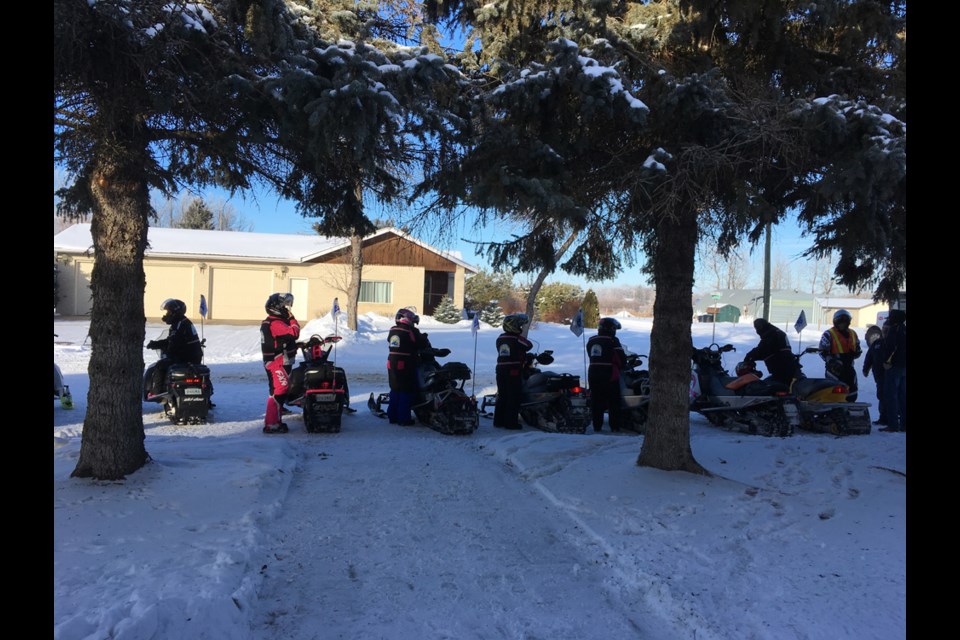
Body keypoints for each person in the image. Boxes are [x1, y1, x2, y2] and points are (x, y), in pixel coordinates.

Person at [145, 298, 205, 400]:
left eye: (168, 312)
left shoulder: (179, 325)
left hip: (185, 357)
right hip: (193, 356)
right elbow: (172, 340)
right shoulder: (183, 322)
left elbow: (174, 343)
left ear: (175, 312)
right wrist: (156, 344)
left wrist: (167, 349)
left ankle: (156, 392)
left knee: (160, 366)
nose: (167, 314)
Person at [261, 293, 300, 434]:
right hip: (277, 363)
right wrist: (292, 319)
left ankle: (275, 421)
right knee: (280, 390)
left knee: (277, 391)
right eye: (284, 307)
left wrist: (296, 346)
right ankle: (272, 424)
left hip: (278, 361)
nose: (287, 310)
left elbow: (281, 341)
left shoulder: (273, 322)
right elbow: (294, 332)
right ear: (276, 308)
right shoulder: (275, 323)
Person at [386, 308, 430, 425]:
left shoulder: (393, 330)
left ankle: (392, 416)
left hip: (391, 362)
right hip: (406, 363)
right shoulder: (411, 331)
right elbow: (421, 343)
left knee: (395, 389)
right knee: (407, 390)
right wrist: (424, 337)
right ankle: (404, 418)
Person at [493, 313, 533, 429]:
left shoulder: (500, 338)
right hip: (513, 370)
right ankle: (511, 422)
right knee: (514, 396)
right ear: (513, 326)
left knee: (502, 395)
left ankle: (498, 420)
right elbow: (528, 345)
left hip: (500, 369)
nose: (520, 328)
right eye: (519, 325)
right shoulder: (515, 339)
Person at [587, 317, 626, 433]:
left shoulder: (591, 340)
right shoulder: (612, 340)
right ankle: (614, 427)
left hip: (593, 372)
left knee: (596, 400)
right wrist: (623, 364)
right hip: (609, 372)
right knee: (614, 401)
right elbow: (620, 358)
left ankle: (597, 426)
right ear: (611, 329)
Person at [818, 309, 862, 401]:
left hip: (849, 368)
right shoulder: (829, 334)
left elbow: (857, 348)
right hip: (834, 369)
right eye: (840, 322)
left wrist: (857, 352)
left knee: (852, 393)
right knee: (834, 393)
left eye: (845, 322)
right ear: (835, 322)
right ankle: (834, 411)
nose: (842, 324)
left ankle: (850, 411)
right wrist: (830, 360)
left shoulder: (853, 333)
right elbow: (822, 351)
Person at [745, 318, 798, 388]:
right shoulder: (776, 332)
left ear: (761, 327)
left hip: (782, 368)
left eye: (757, 328)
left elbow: (763, 349)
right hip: (786, 367)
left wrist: (749, 356)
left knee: (769, 388)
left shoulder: (771, 334)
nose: (757, 331)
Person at [879, 311, 907, 432]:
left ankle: (893, 425)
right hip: (904, 367)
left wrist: (886, 362)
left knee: (891, 396)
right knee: (903, 396)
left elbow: (890, 347)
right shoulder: (905, 329)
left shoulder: (893, 330)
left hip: (894, 366)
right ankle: (904, 425)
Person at [861, 324, 888, 426]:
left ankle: (891, 417)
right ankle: (883, 417)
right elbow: (869, 357)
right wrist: (865, 369)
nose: (885, 331)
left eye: (887, 329)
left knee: (889, 396)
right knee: (881, 395)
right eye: (884, 329)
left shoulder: (893, 343)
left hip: (890, 375)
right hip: (879, 375)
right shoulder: (877, 343)